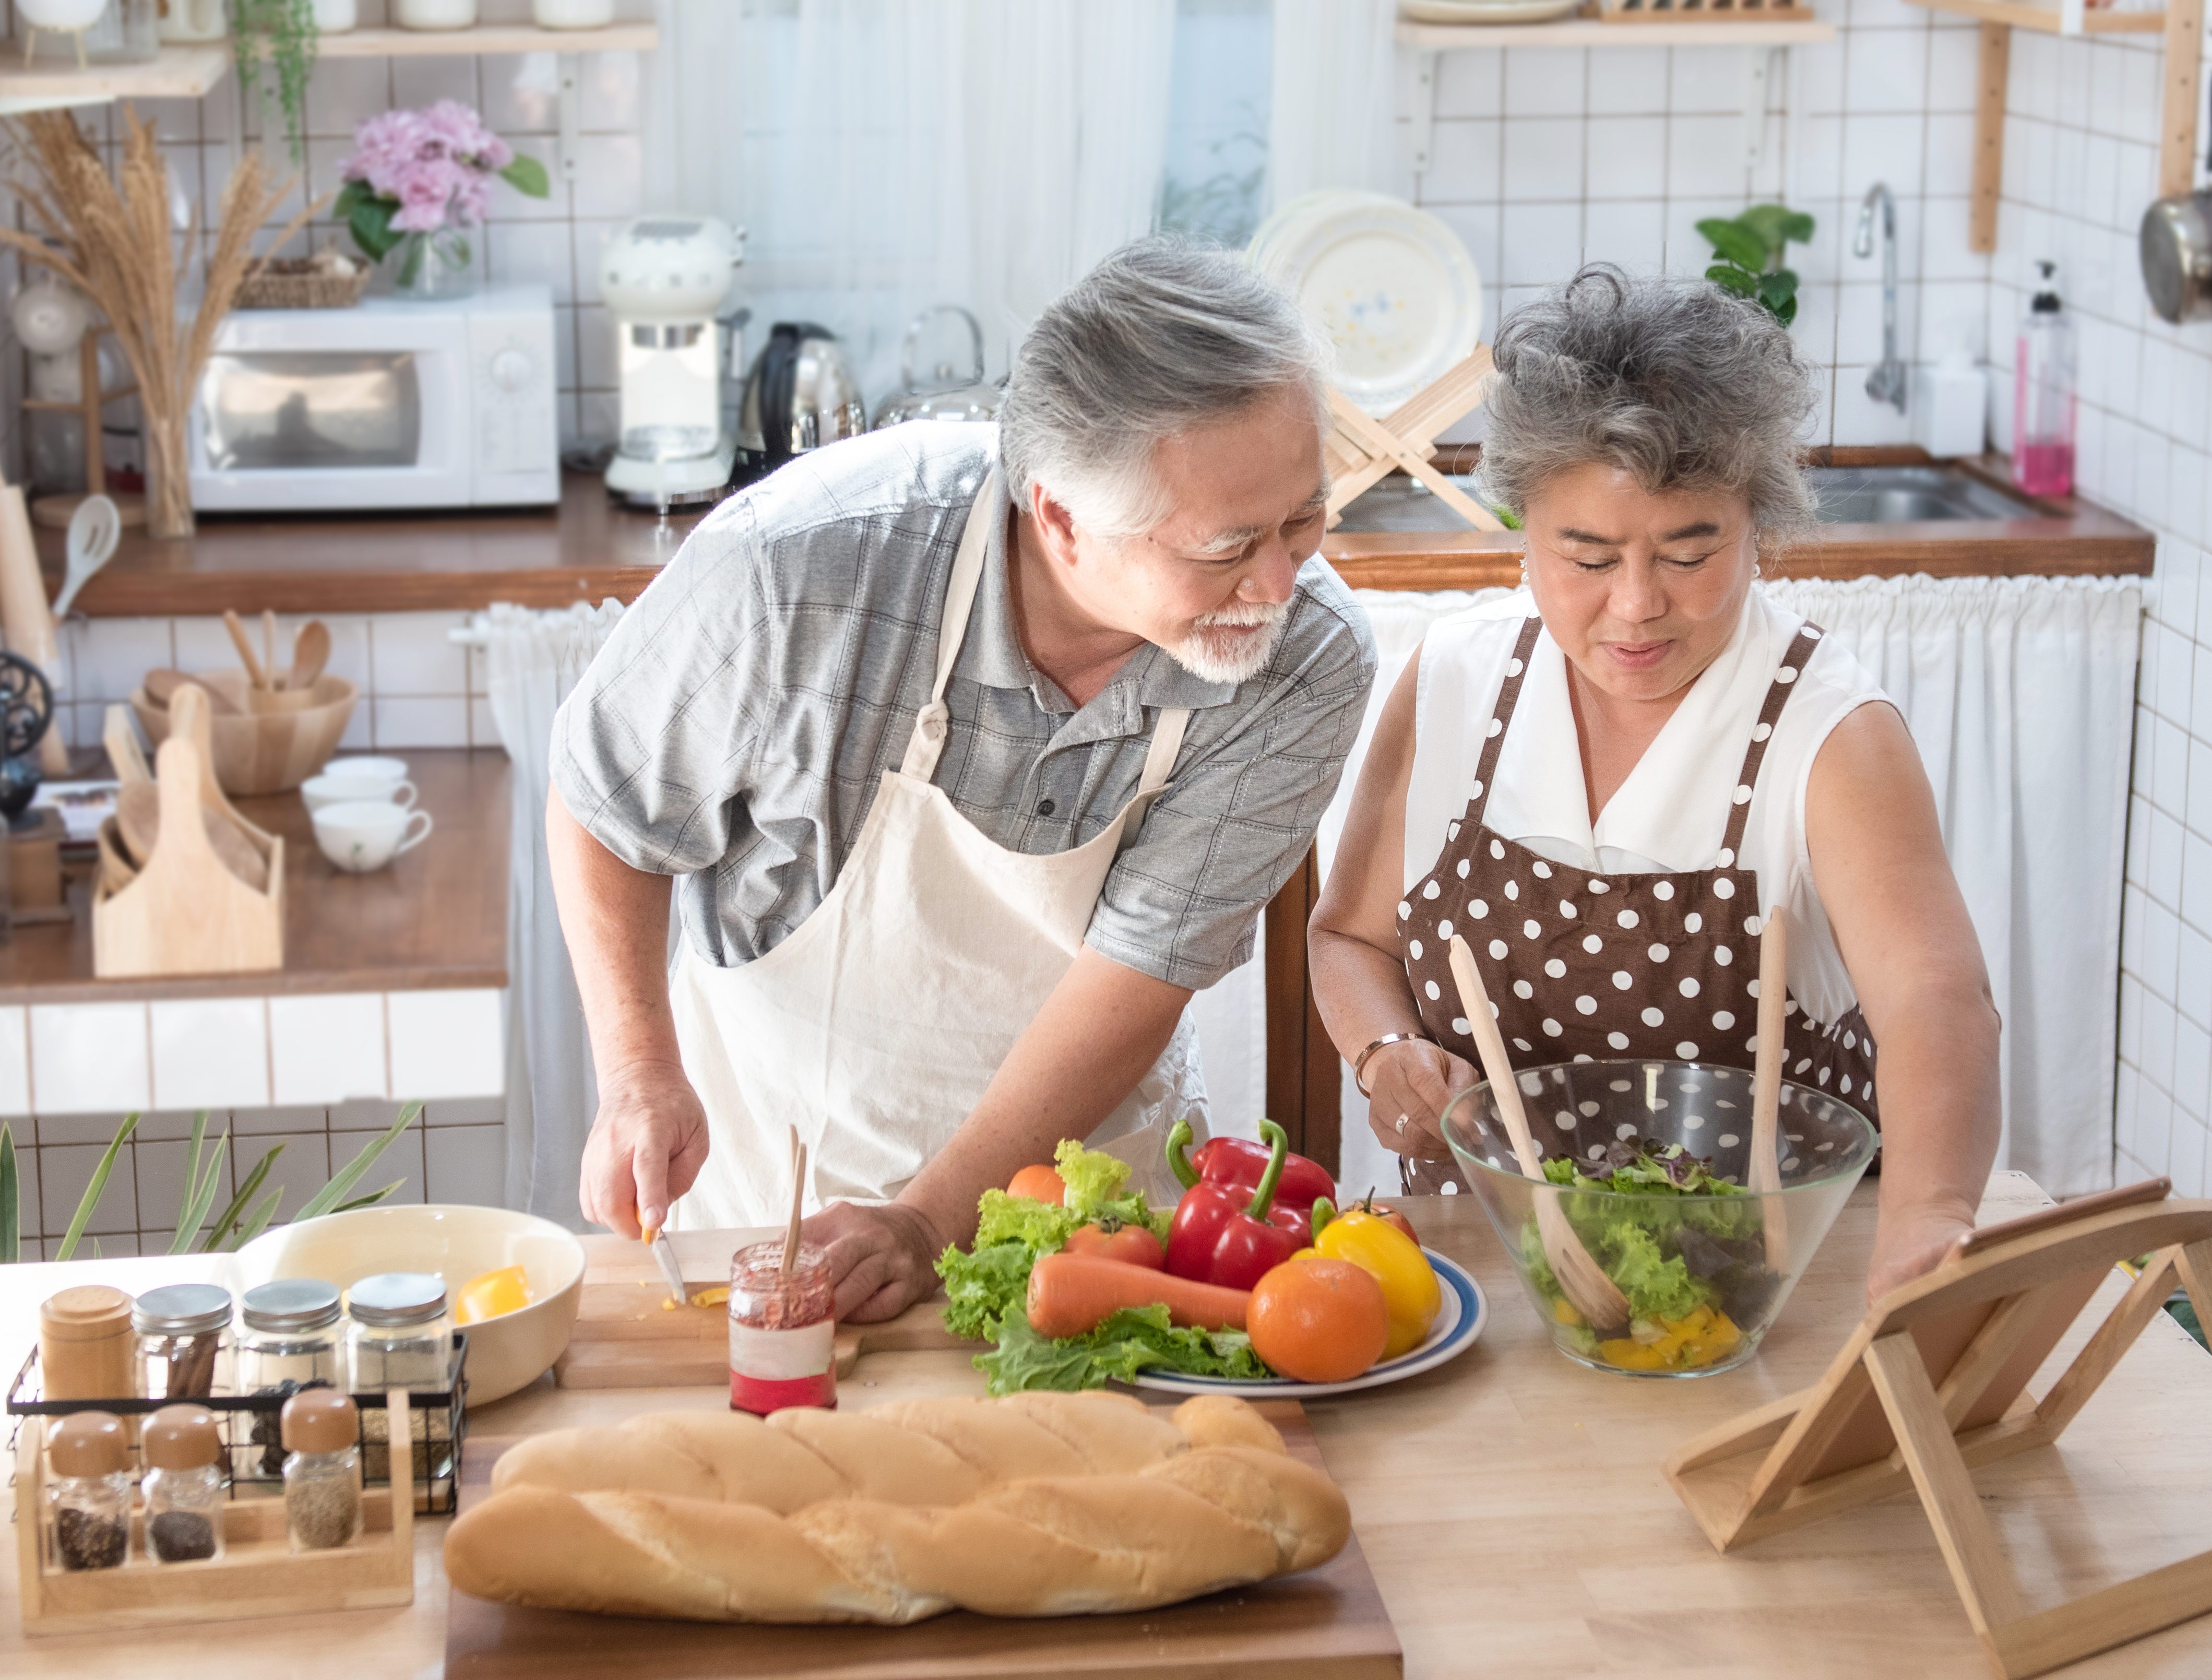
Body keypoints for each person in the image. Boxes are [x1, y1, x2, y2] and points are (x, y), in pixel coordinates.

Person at [548, 240, 1376, 1320]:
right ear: (1064, 518)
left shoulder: (1306, 659)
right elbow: (610, 807)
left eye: (1304, 519)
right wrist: (638, 1074)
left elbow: (1141, 973)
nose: (1278, 584)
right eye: (1227, 546)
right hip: (771, 1178)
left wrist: (931, 1219)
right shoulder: (798, 572)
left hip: (1084, 1212)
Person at [1308, 267, 1999, 1302]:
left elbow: (1935, 1001)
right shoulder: (1455, 679)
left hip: (1769, 1290)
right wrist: (1385, 1048)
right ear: (1522, 529)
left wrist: (1929, 1219)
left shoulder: (1824, 729)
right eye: (1584, 557)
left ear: (1756, 524)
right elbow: (1350, 938)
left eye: (1688, 552)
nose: (1634, 606)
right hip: (1492, 1281)